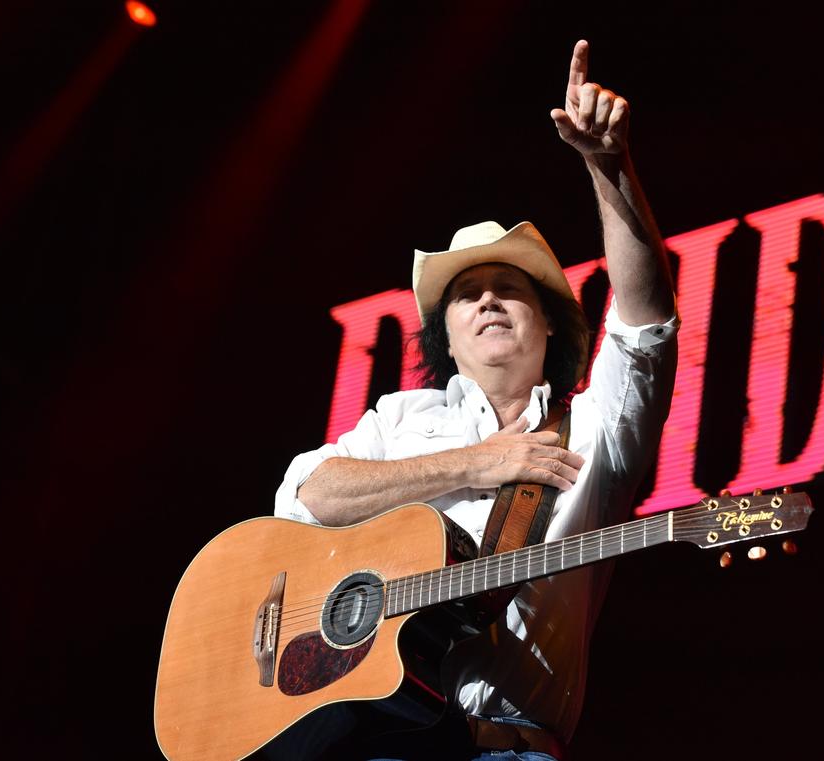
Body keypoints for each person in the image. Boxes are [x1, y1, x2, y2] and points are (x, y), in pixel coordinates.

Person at [273, 40, 678, 760]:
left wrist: (607, 166)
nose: (488, 297)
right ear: (447, 339)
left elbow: (646, 323)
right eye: (467, 294)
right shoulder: (401, 417)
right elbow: (309, 493)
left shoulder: (595, 426)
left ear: (549, 320)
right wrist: (479, 462)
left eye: (509, 287)